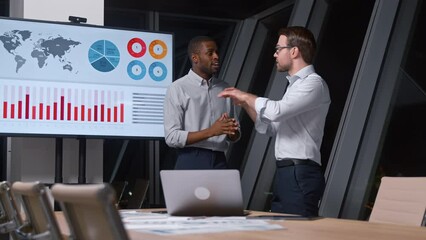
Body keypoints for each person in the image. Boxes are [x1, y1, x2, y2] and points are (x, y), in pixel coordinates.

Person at [218, 26, 330, 217]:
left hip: (300, 172)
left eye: (279, 49)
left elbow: (276, 111)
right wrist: (245, 104)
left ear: (294, 51)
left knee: (298, 233)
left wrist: (244, 95)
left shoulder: (313, 83)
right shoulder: (295, 87)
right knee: (283, 230)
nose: (274, 54)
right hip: (288, 173)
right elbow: (270, 127)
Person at [164, 36, 240, 170]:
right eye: (210, 53)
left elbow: (235, 135)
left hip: (220, 160)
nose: (216, 56)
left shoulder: (225, 88)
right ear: (195, 58)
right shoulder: (178, 88)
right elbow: (172, 137)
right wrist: (212, 131)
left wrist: (231, 131)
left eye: (217, 52)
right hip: (190, 159)